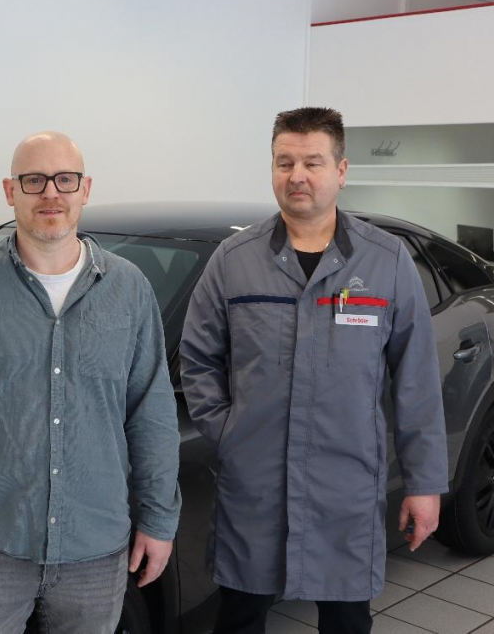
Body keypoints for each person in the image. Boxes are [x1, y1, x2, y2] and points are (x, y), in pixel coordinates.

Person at [179, 107, 447, 634]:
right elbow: (198, 357)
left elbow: (416, 380)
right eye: (284, 162)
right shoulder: (234, 261)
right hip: (255, 485)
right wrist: (230, 432)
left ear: (341, 171)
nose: (297, 175)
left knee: (347, 621)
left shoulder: (385, 262)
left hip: (343, 486)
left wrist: (425, 485)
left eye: (312, 162)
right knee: (239, 616)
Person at [0, 131, 181, 634]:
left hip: (95, 552)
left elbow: (151, 413)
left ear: (85, 189)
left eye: (64, 180)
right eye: (34, 180)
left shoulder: (130, 290)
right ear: (11, 191)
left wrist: (159, 521)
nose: (51, 193)